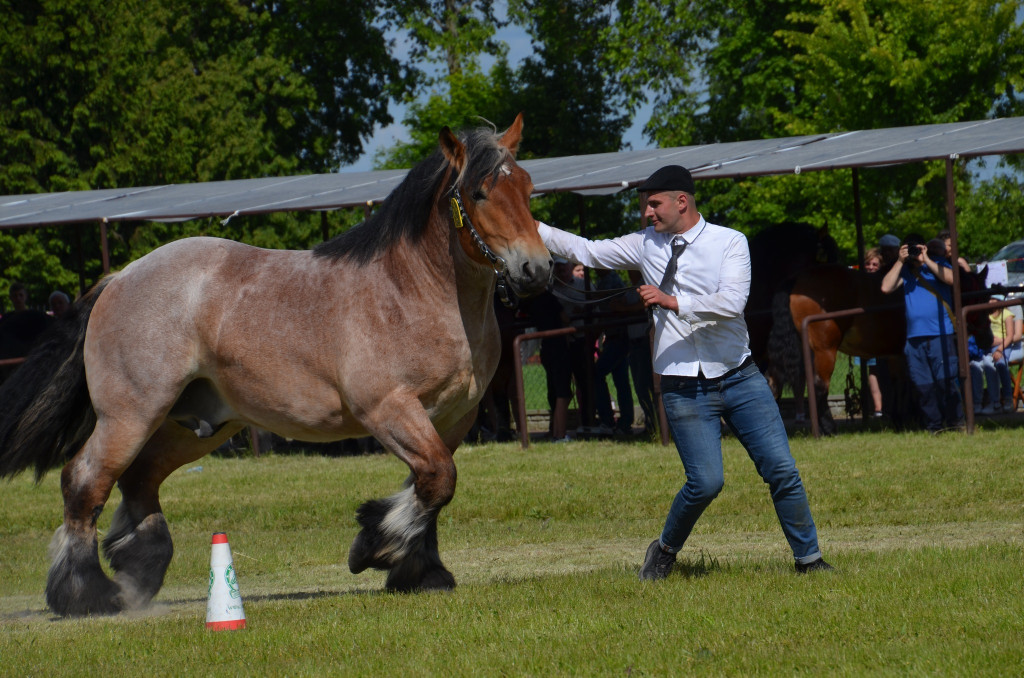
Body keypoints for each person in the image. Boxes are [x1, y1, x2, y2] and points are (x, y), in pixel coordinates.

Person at [536, 165, 831, 578]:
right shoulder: (644, 244)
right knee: (706, 483)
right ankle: (663, 550)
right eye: (645, 206)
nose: (647, 214)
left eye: (653, 204)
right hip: (681, 384)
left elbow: (731, 302)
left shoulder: (730, 242)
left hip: (739, 376)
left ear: (682, 201)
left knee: (781, 469)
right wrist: (526, 222)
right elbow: (587, 250)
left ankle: (810, 561)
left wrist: (672, 302)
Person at [880, 233, 962, 433]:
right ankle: (933, 426)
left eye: (917, 248)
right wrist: (900, 261)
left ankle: (954, 423)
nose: (914, 252)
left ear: (924, 247)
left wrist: (926, 260)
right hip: (914, 339)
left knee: (946, 381)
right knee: (923, 385)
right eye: (911, 249)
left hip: (940, 335)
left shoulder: (938, 264)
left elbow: (952, 279)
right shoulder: (905, 272)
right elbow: (885, 287)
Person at [593, 268, 635, 435]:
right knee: (621, 380)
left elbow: (610, 307)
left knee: (598, 373)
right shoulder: (609, 281)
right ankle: (624, 422)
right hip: (615, 337)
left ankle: (608, 419)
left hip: (617, 337)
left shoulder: (611, 282)